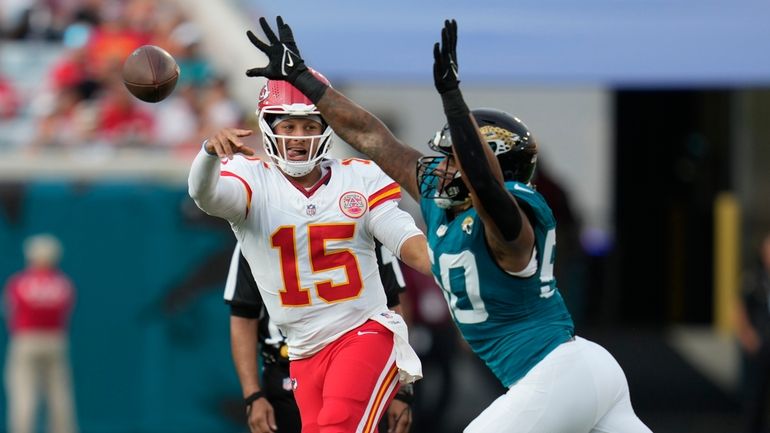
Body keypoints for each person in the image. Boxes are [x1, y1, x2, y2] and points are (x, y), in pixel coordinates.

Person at [244, 16, 652, 433]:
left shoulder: (511, 225)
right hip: (584, 368)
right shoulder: (445, 205)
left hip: (556, 374)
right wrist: (306, 81)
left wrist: (455, 104)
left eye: (451, 158)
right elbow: (372, 137)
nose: (439, 167)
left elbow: (488, 186)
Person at [187, 17, 430, 431]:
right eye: (289, 126)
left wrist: (442, 260)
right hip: (302, 351)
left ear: (325, 128)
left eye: (309, 125)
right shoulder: (252, 181)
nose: (298, 136)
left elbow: (405, 239)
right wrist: (209, 153)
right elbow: (205, 194)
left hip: (363, 334)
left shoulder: (362, 177)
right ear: (268, 127)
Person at [225, 240, 413, 433]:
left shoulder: (360, 216)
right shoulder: (255, 227)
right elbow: (243, 316)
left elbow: (393, 308)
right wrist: (252, 395)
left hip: (357, 363)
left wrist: (402, 390)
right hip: (288, 370)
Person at [2, 234, 78, 433]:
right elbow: (67, 312)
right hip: (56, 341)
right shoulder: (63, 284)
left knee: (23, 394)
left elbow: (9, 312)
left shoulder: (19, 283)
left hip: (26, 340)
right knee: (59, 395)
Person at [734, 233, 770, 433]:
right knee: (754, 400)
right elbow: (739, 307)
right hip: (758, 349)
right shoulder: (753, 278)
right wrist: (747, 335)